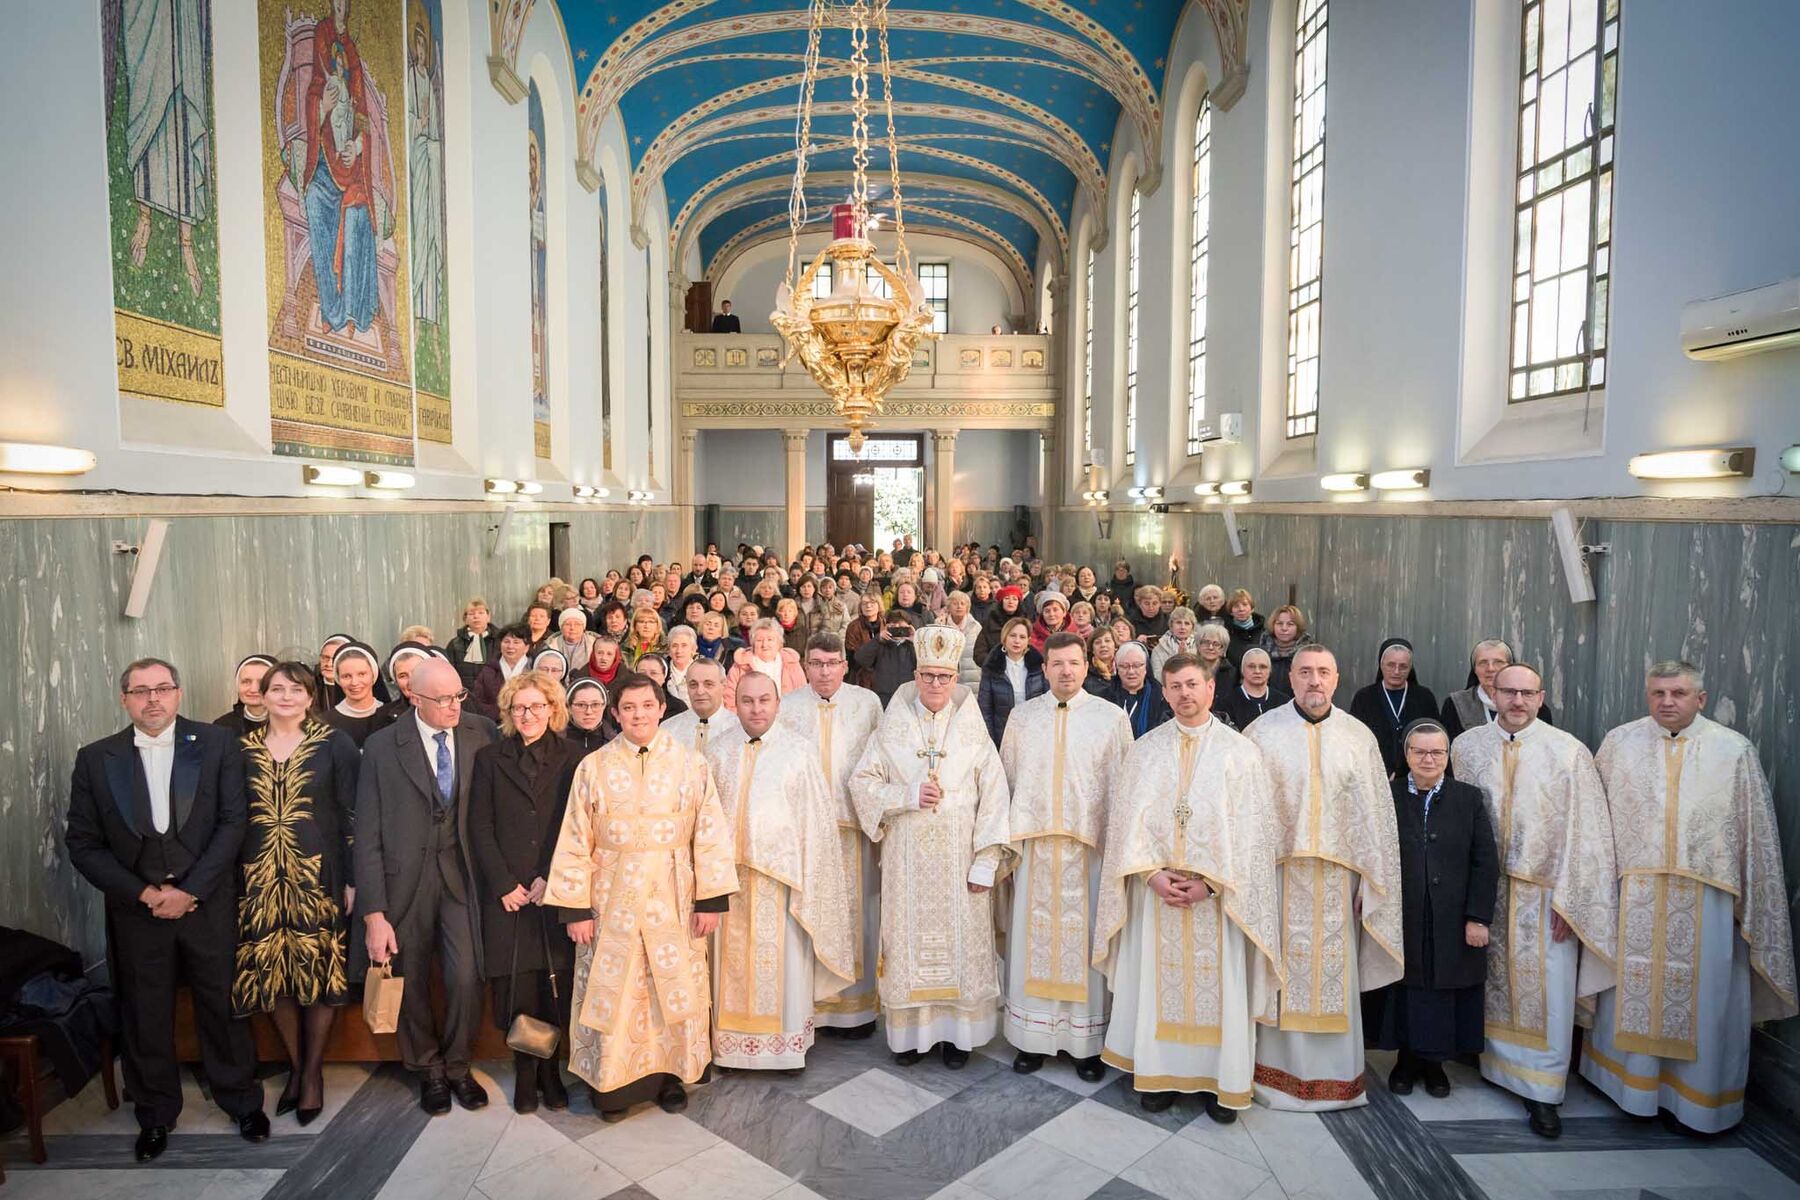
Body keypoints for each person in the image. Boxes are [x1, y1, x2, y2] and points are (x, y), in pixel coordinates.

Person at [1580, 661, 1797, 1134]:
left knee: (1706, 996)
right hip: (1633, 894)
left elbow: (1755, 834)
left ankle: (1698, 1102)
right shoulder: (1619, 744)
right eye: (1657, 693)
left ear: (1700, 698)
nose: (1667, 702)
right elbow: (1592, 824)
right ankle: (1630, 1091)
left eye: (1678, 693)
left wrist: (1752, 903)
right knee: (1629, 992)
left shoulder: (1732, 751)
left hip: (1708, 899)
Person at [63, 659, 266, 1162]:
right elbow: (83, 844)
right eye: (139, 691)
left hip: (207, 903)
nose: (152, 699)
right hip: (137, 911)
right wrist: (145, 894)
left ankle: (242, 1102)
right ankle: (154, 1114)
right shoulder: (95, 758)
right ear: (124, 699)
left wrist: (191, 890)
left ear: (178, 693)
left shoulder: (217, 744)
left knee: (222, 1007)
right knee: (144, 1014)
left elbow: (233, 823)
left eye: (162, 689)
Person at [1096, 654, 1281, 1120]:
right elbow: (1126, 826)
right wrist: (1151, 875)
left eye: (1192, 684)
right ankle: (1159, 1077)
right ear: (1165, 691)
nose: (1184, 694)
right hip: (1156, 893)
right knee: (1157, 987)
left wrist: (1212, 886)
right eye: (1175, 686)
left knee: (1220, 991)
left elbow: (1255, 834)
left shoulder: (1240, 753)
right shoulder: (1145, 751)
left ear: (1211, 689)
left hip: (1218, 901)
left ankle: (1221, 1083)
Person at [545, 674, 736, 1121]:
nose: (638, 715)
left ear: (660, 708)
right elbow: (575, 836)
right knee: (620, 992)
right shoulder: (592, 766)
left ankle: (672, 1078)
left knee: (671, 991)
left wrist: (709, 900)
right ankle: (613, 1088)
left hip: (674, 898)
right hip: (610, 901)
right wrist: (574, 908)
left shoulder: (691, 764)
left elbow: (709, 831)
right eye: (628, 707)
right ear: (616, 713)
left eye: (646, 706)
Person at [1450, 663, 1615, 1139]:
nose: (1517, 701)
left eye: (1527, 693)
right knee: (1487, 984)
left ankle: (1543, 1091)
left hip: (1544, 896)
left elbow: (1589, 833)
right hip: (1481, 894)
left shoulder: (1569, 753)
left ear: (1541, 697)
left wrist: (1574, 901)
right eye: (1508, 692)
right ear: (1492, 694)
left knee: (1547, 993)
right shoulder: (1467, 747)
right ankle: (1486, 1063)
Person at [1244, 645, 1403, 1110]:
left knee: (1334, 977)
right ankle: (1272, 1077)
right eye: (1305, 672)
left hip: (1339, 886)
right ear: (1289, 678)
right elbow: (1247, 811)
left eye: (1324, 673)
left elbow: (1375, 816)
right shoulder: (1261, 733)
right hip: (1279, 878)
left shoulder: (1358, 738)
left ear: (1337, 679)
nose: (1315, 681)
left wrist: (1370, 883)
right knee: (1280, 974)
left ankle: (1337, 1080)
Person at [850, 625, 1012, 1069]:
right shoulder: (892, 726)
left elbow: (995, 794)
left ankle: (957, 1039)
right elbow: (861, 783)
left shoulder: (974, 731)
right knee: (910, 946)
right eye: (928, 676)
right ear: (915, 676)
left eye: (944, 676)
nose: (936, 684)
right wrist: (905, 795)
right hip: (907, 861)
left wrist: (987, 861)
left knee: (960, 947)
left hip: (961, 861)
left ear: (955, 679)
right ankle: (910, 1038)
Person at [355, 658, 498, 1115]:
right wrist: (374, 915)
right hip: (404, 884)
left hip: (462, 876)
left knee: (465, 975)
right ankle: (428, 1069)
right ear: (413, 698)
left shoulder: (482, 731)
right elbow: (369, 833)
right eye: (442, 699)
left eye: (458, 696)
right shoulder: (381, 747)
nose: (454, 706)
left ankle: (458, 1065)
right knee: (408, 977)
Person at [999, 632, 1132, 1081]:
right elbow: (1008, 781)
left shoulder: (1110, 718)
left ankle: (1086, 1044)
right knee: (1031, 941)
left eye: (1074, 663)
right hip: (1035, 849)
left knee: (1085, 944)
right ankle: (1030, 1039)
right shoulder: (1022, 718)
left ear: (1086, 666)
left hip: (1087, 849)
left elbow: (1122, 788)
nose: (1066, 672)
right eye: (1057, 664)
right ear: (1045, 668)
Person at [703, 674, 854, 1070]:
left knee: (782, 969)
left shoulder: (798, 753)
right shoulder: (718, 752)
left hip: (781, 883)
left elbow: (817, 824)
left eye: (764, 700)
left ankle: (784, 1050)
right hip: (728, 884)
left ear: (777, 703)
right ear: (735, 703)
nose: (756, 709)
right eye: (748, 701)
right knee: (728, 970)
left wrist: (810, 877)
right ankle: (730, 1049)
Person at [231, 661, 359, 1123]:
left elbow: (351, 815)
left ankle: (312, 1075)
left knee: (317, 972)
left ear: (310, 698)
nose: (285, 696)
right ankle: (296, 1065)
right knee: (274, 975)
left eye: (295, 689)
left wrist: (352, 879)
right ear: (260, 696)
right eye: (276, 689)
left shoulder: (334, 744)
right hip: (258, 879)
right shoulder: (239, 749)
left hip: (317, 878)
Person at [1363, 720, 1497, 1100]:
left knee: (1442, 992)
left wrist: (1478, 917)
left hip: (1452, 916)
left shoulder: (1468, 799)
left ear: (1447, 756)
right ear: (1406, 755)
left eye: (1437, 752)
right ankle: (1405, 1062)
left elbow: (1483, 862)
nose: (1428, 759)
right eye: (1419, 751)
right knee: (1405, 989)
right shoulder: (1387, 796)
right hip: (1400, 913)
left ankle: (1435, 1065)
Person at [467, 670, 581, 1113]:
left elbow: (576, 824)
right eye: (519, 707)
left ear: (553, 709)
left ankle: (551, 1072)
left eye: (536, 706)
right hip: (509, 895)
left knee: (553, 984)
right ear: (509, 713)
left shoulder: (573, 758)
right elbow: (480, 825)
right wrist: (504, 885)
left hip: (552, 889)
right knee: (517, 988)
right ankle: (525, 1073)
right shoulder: (490, 758)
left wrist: (550, 876)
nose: (528, 714)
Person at [779, 633, 886, 1037]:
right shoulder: (787, 707)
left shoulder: (867, 704)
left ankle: (856, 1011)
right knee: (812, 914)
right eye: (817, 663)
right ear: (805, 666)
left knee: (860, 917)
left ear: (845, 665)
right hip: (806, 834)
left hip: (855, 828)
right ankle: (816, 1007)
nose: (824, 671)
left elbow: (882, 763)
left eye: (832, 663)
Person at [1349, 638, 1441, 777]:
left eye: (1403, 666)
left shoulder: (1424, 697)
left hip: (1417, 777)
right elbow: (1354, 741)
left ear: (1410, 668)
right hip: (1374, 775)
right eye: (1391, 665)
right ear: (1381, 665)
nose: (1396, 671)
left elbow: (1436, 738)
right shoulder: (1364, 698)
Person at [1439, 639, 1557, 742]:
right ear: (1474, 669)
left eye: (1498, 662)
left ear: (1511, 667)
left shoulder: (1535, 708)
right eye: (1483, 663)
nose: (1490, 668)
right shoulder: (1456, 705)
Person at [977, 617, 1045, 746]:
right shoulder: (992, 667)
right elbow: (985, 709)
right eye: (1012, 635)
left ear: (1028, 640)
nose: (1017, 641)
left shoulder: (1038, 666)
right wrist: (990, 741)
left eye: (1022, 637)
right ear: (1004, 638)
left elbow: (1047, 701)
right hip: (1003, 735)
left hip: (1035, 734)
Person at [661, 656, 741, 752]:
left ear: (723, 686)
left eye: (708, 684)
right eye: (693, 684)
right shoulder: (668, 730)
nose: (700, 691)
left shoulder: (738, 729)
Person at [725, 617, 806, 707]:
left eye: (770, 640)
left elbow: (803, 695)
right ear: (752, 643)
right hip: (749, 719)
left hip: (788, 718)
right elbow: (729, 699)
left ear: (779, 643)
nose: (764, 645)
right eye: (759, 640)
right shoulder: (740, 665)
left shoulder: (792, 662)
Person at [320, 641, 386, 746]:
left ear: (373, 675)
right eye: (346, 676)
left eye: (361, 674)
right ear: (338, 679)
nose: (354, 682)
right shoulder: (323, 724)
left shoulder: (391, 717)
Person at [1100, 641, 1169, 738]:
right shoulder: (1104, 698)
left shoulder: (1161, 697)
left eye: (1136, 666)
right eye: (1124, 666)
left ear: (1146, 667)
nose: (1131, 671)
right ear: (1117, 669)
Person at [854, 610, 922, 708]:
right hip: (884, 698)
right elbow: (860, 659)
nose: (898, 631)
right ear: (887, 626)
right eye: (894, 627)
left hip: (908, 697)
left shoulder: (913, 646)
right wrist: (878, 639)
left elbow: (925, 665)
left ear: (909, 627)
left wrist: (916, 641)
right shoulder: (880, 644)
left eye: (902, 627)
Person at [1216, 647, 1288, 731]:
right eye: (1251, 666)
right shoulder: (1226, 703)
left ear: (1270, 670)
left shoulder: (1283, 702)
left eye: (1263, 667)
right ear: (1242, 670)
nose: (1257, 671)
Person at [472, 624, 532, 721]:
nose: (510, 646)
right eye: (506, 641)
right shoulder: (488, 670)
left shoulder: (533, 669)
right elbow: (477, 702)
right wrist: (501, 713)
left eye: (516, 642)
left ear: (526, 648)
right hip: (494, 724)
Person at [213, 653, 275, 738]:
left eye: (262, 682)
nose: (254, 689)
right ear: (237, 685)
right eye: (246, 681)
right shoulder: (222, 726)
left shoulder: (293, 724)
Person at [1258, 605, 1311, 695]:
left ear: (1298, 627)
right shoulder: (1260, 652)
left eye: (1290, 624)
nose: (1284, 628)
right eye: (1279, 623)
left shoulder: (1308, 654)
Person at [447, 598, 495, 688]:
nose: (476, 616)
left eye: (481, 613)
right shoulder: (455, 644)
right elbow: (450, 672)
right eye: (471, 614)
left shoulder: (499, 641)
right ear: (465, 619)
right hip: (465, 693)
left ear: (488, 617)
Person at [564, 677, 615, 752]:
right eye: (581, 705)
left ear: (604, 706)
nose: (589, 711)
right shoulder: (554, 742)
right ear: (569, 708)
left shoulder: (614, 743)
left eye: (595, 704)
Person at [1149, 606, 1198, 679]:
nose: (1182, 627)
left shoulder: (1201, 646)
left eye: (1187, 623)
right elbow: (1158, 677)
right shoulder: (1159, 649)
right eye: (1178, 622)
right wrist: (1178, 659)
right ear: (1171, 625)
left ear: (1192, 627)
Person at [1223, 589, 1265, 668]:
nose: (1241, 609)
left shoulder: (1263, 632)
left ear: (1252, 608)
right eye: (1236, 606)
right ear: (1231, 611)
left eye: (1245, 604)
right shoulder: (1225, 633)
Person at [1194, 621, 1237, 694]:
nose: (1210, 647)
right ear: (1198, 645)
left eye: (1216, 644)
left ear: (1223, 649)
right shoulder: (1190, 668)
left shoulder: (1232, 673)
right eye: (1206, 642)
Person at [551, 608, 597, 674]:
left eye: (577, 624)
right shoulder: (550, 645)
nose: (572, 628)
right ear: (561, 627)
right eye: (567, 624)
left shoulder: (595, 644)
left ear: (584, 627)